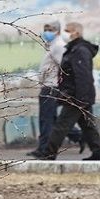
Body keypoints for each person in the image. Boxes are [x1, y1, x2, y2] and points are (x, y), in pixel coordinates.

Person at [30, 22, 100, 161]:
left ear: (76, 33)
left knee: (61, 125)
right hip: (77, 95)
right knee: (88, 126)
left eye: (68, 31)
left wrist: (80, 99)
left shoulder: (80, 51)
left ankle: (48, 153)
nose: (65, 33)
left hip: (76, 96)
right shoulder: (73, 49)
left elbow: (83, 76)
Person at [28, 21, 80, 157]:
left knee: (46, 120)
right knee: (52, 119)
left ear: (57, 31)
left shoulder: (58, 46)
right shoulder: (52, 46)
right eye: (45, 29)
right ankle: (79, 136)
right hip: (48, 86)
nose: (47, 32)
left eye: (50, 29)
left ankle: (44, 149)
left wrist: (64, 85)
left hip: (51, 87)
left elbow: (65, 66)